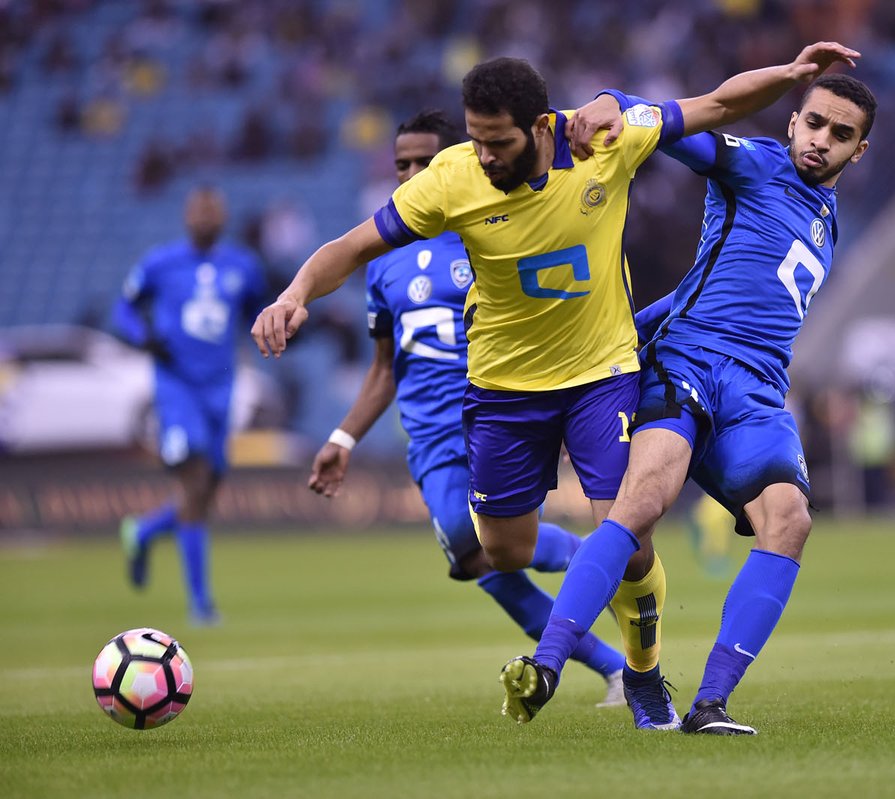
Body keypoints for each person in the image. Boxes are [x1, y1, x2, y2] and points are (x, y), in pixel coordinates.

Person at [251, 42, 860, 730]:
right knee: (502, 549)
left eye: (497, 141)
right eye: (476, 140)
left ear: (540, 125)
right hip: (506, 386)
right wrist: (297, 290)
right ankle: (588, 591)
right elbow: (353, 247)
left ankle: (642, 675)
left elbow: (713, 105)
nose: (484, 155)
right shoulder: (450, 179)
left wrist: (777, 77)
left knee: (634, 530)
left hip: (603, 375)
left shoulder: (605, 144)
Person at [507, 71, 876, 735]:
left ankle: (709, 705)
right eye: (814, 123)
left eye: (841, 133)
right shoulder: (753, 163)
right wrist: (611, 104)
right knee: (641, 507)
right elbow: (668, 127)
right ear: (793, 122)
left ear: (860, 150)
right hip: (688, 368)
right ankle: (550, 663)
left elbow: (719, 290)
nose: (822, 140)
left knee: (790, 520)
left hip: (758, 394)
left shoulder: (828, 220)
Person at [307, 110, 626, 706]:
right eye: (400, 164)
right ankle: (601, 606)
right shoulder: (384, 262)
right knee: (472, 553)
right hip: (428, 437)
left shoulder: (485, 226)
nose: (410, 174)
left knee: (480, 547)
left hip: (492, 411)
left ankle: (604, 594)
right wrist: (344, 439)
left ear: (454, 161)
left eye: (423, 163)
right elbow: (384, 368)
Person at [114, 186, 268, 625]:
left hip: (221, 390)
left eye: (213, 209)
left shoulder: (243, 266)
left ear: (223, 216)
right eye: (199, 209)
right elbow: (123, 308)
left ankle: (142, 532)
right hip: (177, 389)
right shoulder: (160, 263)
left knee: (207, 491)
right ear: (186, 216)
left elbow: (260, 312)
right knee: (196, 484)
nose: (205, 216)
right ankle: (201, 605)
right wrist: (144, 338)